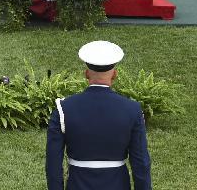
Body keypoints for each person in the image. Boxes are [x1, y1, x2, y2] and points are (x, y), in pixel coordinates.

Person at [46, 40, 151, 190]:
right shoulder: (132, 109)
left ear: (86, 73)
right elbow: (141, 163)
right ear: (114, 74)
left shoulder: (63, 108)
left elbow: (53, 165)